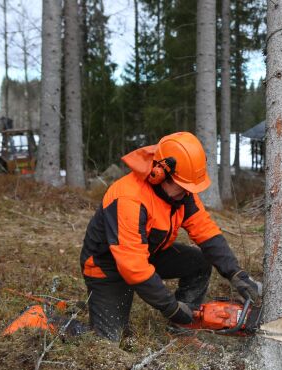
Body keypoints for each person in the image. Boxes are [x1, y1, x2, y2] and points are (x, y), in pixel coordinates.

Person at [80, 132, 261, 341]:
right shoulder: (129, 199)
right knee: (107, 341)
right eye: (183, 187)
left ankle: (182, 330)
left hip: (147, 253)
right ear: (160, 174)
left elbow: (206, 231)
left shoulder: (182, 195)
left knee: (199, 262)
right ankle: (44, 320)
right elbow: (133, 267)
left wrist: (235, 273)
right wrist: (171, 308)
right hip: (107, 266)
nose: (187, 193)